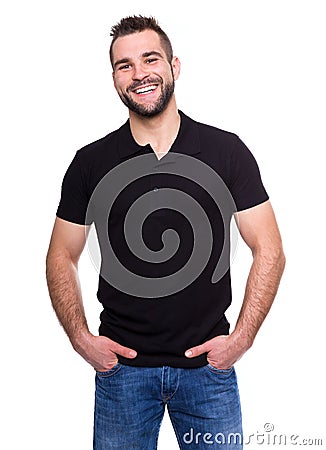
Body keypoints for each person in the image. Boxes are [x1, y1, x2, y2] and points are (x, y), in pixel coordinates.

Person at [46, 15, 286, 450]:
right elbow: (61, 254)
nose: (139, 74)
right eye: (124, 65)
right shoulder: (90, 162)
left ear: (175, 66)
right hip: (122, 375)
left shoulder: (226, 151)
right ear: (115, 78)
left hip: (208, 374)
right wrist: (82, 340)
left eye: (150, 59)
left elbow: (269, 249)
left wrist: (240, 341)